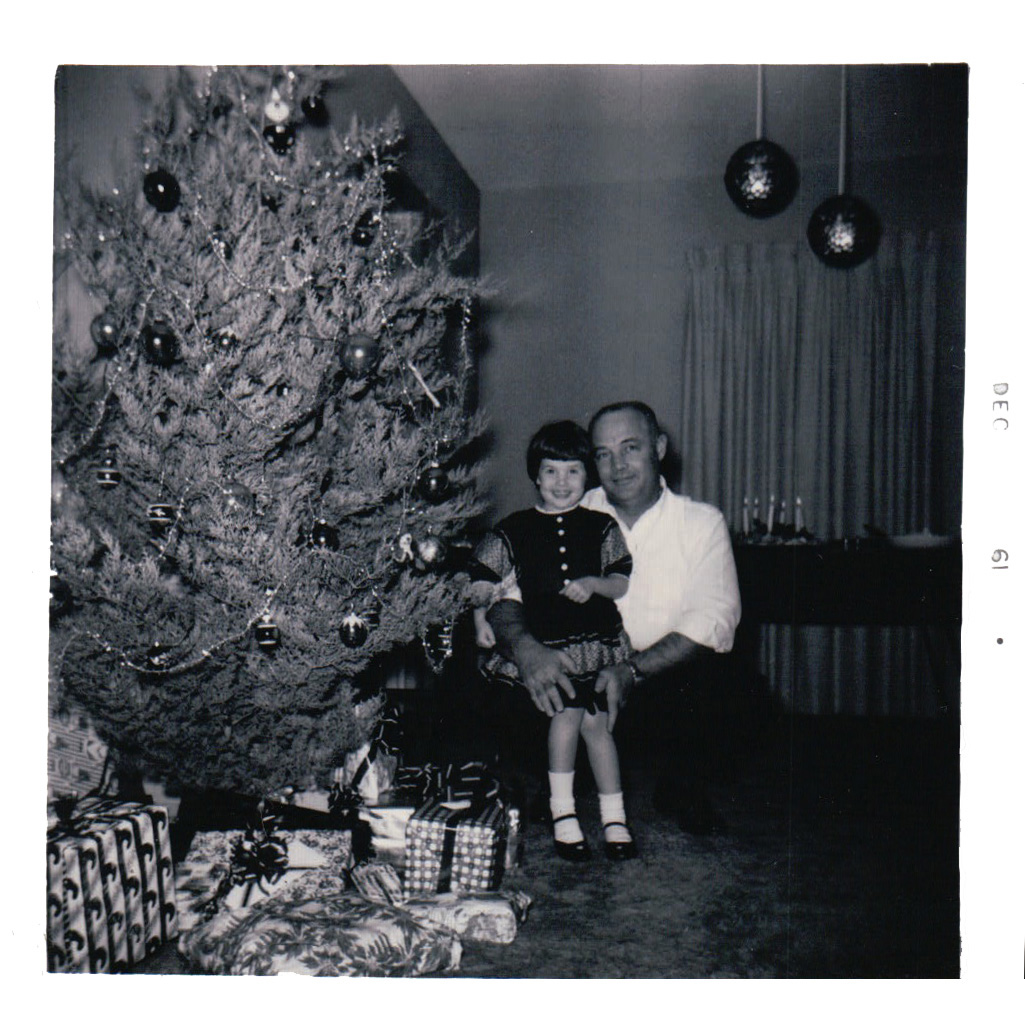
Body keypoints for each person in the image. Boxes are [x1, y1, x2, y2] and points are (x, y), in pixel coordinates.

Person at [487, 401, 742, 833]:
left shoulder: (701, 523)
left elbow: (713, 619)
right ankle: (567, 780)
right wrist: (528, 652)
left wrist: (631, 670)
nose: (617, 466)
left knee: (736, 690)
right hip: (572, 671)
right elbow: (504, 593)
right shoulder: (563, 510)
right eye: (602, 453)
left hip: (656, 679)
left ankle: (681, 786)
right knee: (499, 677)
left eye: (630, 448)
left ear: (659, 448)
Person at [469, 420, 638, 862]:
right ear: (535, 476)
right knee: (565, 719)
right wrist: (477, 617)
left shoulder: (601, 525)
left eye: (573, 472)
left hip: (595, 640)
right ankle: (563, 813)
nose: (562, 483)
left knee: (598, 728)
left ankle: (614, 815)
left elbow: (620, 581)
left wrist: (594, 585)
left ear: (588, 477)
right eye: (551, 472)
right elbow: (485, 576)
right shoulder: (516, 527)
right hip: (549, 640)